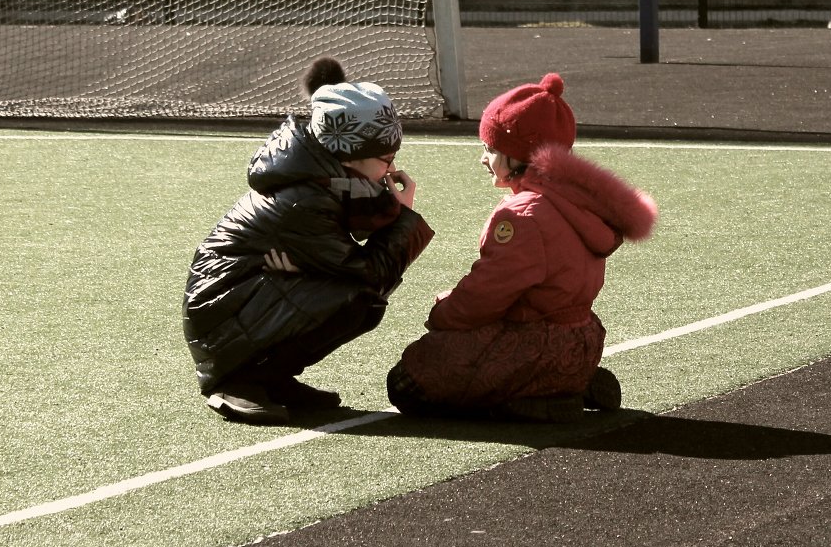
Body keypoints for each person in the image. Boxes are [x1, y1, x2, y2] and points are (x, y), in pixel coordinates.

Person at [388, 73, 658, 423]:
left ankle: (532, 395)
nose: (483, 158)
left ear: (517, 156)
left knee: (406, 382)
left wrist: (444, 312)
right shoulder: (578, 201)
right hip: (583, 339)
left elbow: (486, 295)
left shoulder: (523, 215)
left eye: (490, 148)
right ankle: (570, 381)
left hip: (538, 345)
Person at [183, 57, 434, 424]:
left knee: (354, 296)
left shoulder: (325, 178)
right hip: (220, 313)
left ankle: (270, 377)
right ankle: (236, 380)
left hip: (237, 299)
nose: (392, 168)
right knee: (358, 298)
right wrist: (405, 218)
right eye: (387, 157)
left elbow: (353, 242)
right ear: (352, 155)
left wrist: (311, 264)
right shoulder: (306, 198)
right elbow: (368, 271)